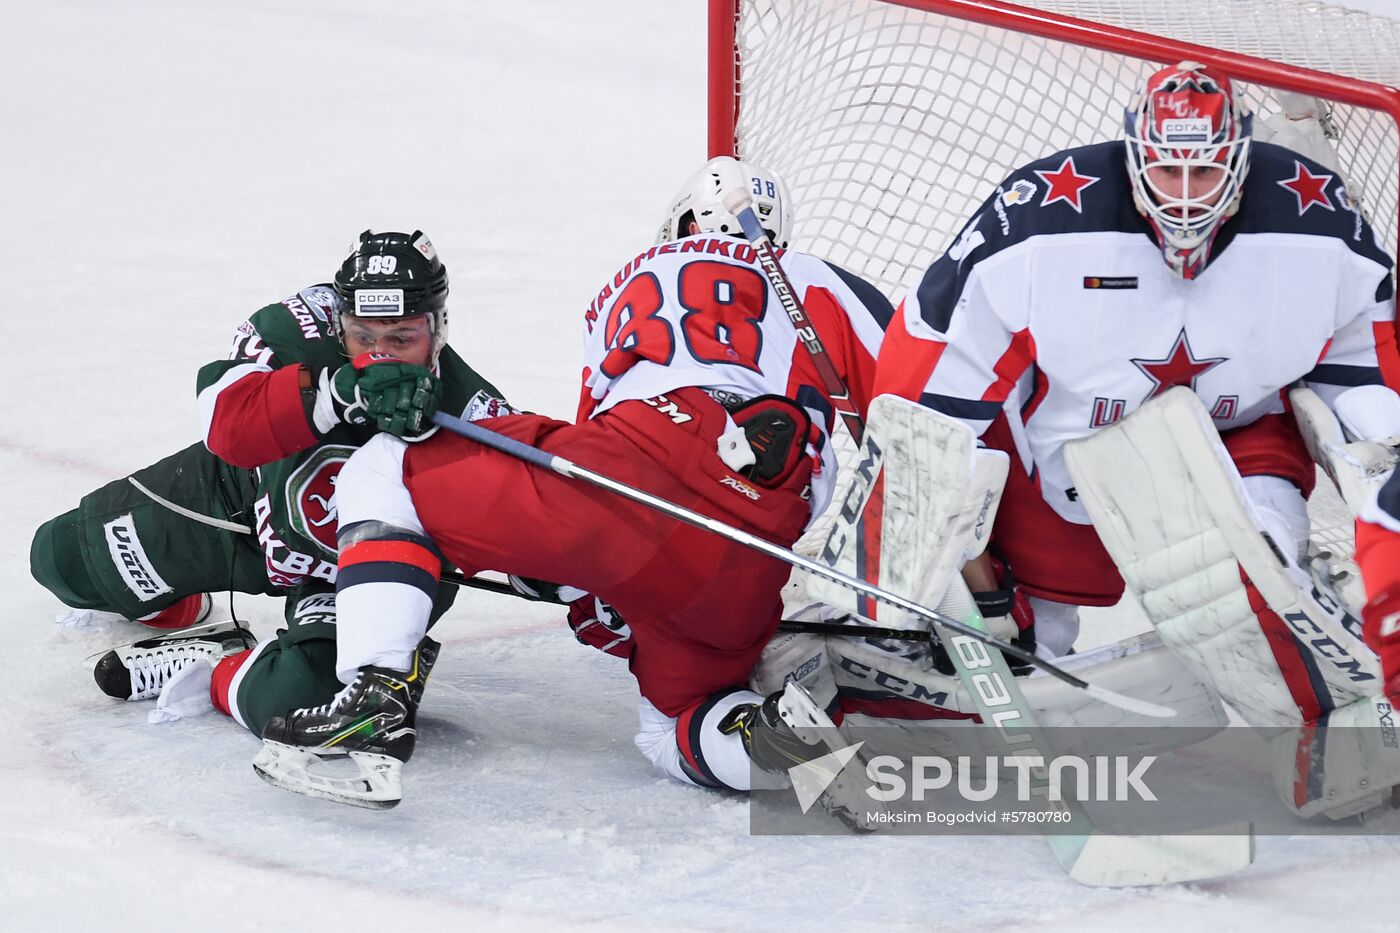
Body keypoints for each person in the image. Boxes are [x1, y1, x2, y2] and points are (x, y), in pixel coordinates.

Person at [252, 157, 895, 811]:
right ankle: (781, 744)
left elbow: (593, 451)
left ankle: (373, 695)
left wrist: (595, 590)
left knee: (387, 467)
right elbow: (921, 404)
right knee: (676, 722)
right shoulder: (814, 280)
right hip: (754, 547)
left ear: (676, 224)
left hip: (641, 475)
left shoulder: (625, 283)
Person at [873, 60, 1400, 660]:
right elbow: (939, 358)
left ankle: (1303, 654)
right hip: (1064, 445)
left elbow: (1361, 360)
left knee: (1263, 578)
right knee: (1028, 635)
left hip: (1238, 436)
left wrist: (1380, 447)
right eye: (1165, 168)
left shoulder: (1318, 220)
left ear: (1238, 160)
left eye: (1202, 170)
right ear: (1133, 156)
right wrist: (926, 499)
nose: (1180, 195)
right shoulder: (1038, 218)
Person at [29, 230, 509, 736]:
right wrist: (331, 393)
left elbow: (532, 520)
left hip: (351, 575)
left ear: (438, 329)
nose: (380, 355)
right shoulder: (303, 322)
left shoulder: (477, 415)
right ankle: (183, 607)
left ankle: (211, 668)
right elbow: (225, 422)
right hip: (240, 496)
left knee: (300, 703)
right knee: (60, 559)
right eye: (363, 338)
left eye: (402, 339)